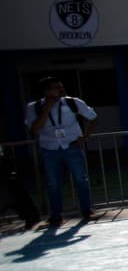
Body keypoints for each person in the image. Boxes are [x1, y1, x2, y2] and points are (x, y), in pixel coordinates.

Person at [25, 76, 101, 227]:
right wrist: (47, 108)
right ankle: (55, 216)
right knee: (53, 183)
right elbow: (34, 128)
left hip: (71, 145)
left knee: (81, 178)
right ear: (46, 91)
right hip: (50, 148)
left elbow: (93, 118)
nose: (60, 90)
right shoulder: (34, 107)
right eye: (56, 87)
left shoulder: (73, 102)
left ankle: (87, 210)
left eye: (61, 86)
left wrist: (85, 136)